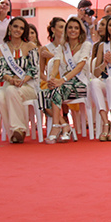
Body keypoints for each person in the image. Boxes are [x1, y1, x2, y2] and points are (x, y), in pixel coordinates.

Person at [40, 16, 91, 144]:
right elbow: (55, 64)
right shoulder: (61, 47)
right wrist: (52, 78)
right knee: (42, 95)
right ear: (66, 30)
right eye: (70, 28)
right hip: (63, 86)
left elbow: (79, 67)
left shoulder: (86, 45)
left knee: (52, 91)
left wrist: (61, 80)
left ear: (80, 31)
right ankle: (64, 125)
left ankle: (56, 127)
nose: (73, 30)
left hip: (81, 84)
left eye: (76, 28)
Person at [0, 16, 38, 143]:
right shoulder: (1, 49)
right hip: (9, 84)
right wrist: (12, 80)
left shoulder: (30, 46)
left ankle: (18, 130)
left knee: (12, 91)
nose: (18, 30)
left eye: (22, 28)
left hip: (28, 85)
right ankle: (15, 133)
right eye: (15, 26)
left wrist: (23, 80)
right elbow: (1, 72)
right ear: (10, 27)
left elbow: (34, 70)